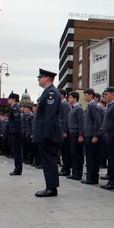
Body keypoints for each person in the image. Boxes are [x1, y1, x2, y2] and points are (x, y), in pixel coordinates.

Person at [33, 68, 62, 197]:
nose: (39, 79)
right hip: (45, 133)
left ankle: (51, 188)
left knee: (49, 161)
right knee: (47, 161)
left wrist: (47, 135)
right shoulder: (48, 92)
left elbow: (50, 116)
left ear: (47, 79)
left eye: (40, 77)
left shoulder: (51, 93)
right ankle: (50, 186)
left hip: (48, 134)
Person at [100, 87, 114, 190]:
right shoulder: (110, 105)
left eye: (107, 94)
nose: (105, 96)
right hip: (108, 136)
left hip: (113, 136)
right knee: (111, 159)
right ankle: (111, 180)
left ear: (113, 94)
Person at [82, 88, 102, 185]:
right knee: (89, 157)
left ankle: (92, 178)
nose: (85, 97)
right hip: (88, 134)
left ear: (91, 95)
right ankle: (90, 177)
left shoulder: (93, 106)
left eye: (86, 95)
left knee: (92, 157)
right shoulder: (90, 106)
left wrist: (95, 135)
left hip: (91, 135)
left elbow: (97, 121)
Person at [66, 91, 84, 181]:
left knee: (77, 154)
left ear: (75, 98)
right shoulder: (72, 108)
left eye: (70, 97)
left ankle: (78, 173)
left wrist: (81, 135)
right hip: (72, 133)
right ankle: (74, 173)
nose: (68, 99)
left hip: (76, 133)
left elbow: (81, 123)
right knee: (73, 153)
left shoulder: (78, 109)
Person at [7, 93, 22, 175]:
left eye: (9, 98)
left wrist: (17, 132)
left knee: (17, 152)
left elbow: (17, 122)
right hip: (13, 132)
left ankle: (18, 169)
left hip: (15, 133)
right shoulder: (13, 108)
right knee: (16, 151)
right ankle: (17, 168)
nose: (8, 100)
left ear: (13, 99)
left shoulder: (15, 108)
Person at [58, 89, 72, 177]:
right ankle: (64, 168)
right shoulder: (62, 104)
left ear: (62, 95)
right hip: (62, 130)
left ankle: (66, 169)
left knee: (66, 151)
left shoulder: (64, 104)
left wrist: (64, 131)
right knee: (63, 151)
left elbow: (66, 119)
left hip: (65, 131)